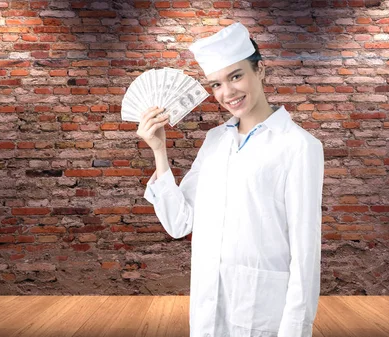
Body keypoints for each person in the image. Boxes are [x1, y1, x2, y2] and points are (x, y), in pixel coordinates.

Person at [137, 22, 324, 337]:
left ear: (260, 70)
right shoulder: (215, 141)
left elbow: (306, 254)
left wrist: (296, 330)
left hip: (264, 312)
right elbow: (179, 223)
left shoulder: (299, 146)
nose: (227, 93)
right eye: (216, 84)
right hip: (208, 307)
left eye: (236, 76)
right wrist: (159, 149)